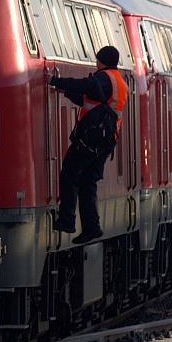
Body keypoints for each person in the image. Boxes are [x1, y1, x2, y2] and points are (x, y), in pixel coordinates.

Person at [48, 45, 127, 244]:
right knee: (87, 182)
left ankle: (67, 220)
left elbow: (85, 85)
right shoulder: (118, 81)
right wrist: (65, 91)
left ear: (100, 60)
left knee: (69, 173)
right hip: (106, 140)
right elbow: (89, 100)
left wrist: (54, 80)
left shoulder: (104, 77)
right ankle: (92, 227)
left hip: (90, 139)